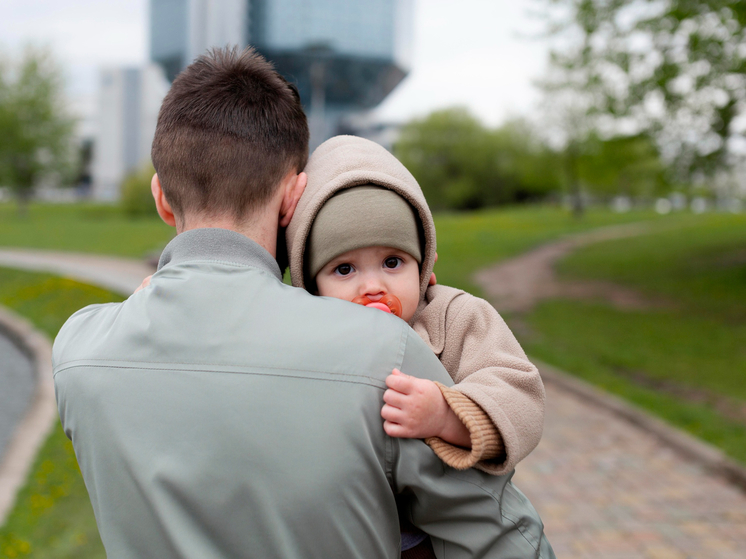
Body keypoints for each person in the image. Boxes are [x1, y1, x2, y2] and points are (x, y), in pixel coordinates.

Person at [53, 47, 554, 558]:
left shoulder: (77, 350)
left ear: (161, 197)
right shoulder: (385, 354)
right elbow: (501, 540)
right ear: (294, 199)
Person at [286, 135, 547, 556]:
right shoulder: (303, 332)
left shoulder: (457, 317)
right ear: (310, 283)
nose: (372, 286)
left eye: (393, 262)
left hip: (438, 542)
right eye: (344, 268)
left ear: (425, 266)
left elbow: (520, 394)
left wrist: (448, 415)